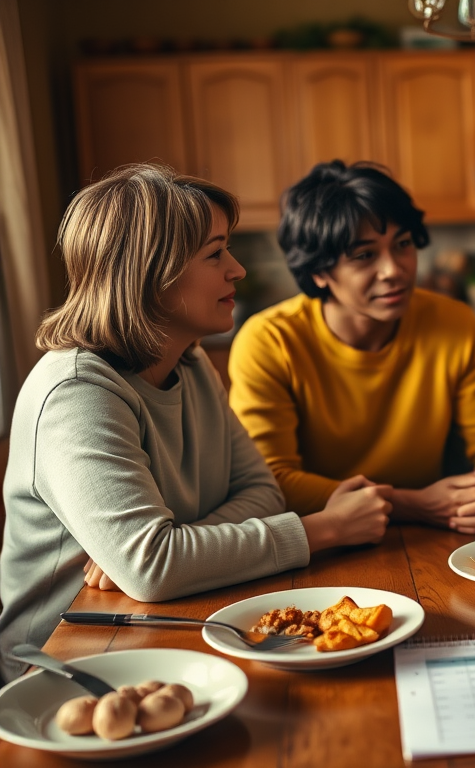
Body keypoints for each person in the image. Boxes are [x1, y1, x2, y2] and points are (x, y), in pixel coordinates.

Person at [0, 163, 394, 683]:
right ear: (148, 272)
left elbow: (260, 492)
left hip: (165, 622)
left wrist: (176, 549)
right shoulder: (76, 392)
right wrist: (325, 528)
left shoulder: (190, 362)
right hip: (64, 662)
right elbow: (154, 567)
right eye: (215, 253)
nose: (238, 269)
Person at [228, 160, 475, 535]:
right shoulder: (269, 341)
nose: (395, 269)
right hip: (325, 543)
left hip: (436, 536)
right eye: (364, 255)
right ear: (319, 272)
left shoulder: (454, 323)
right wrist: (413, 504)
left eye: (402, 245)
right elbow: (272, 479)